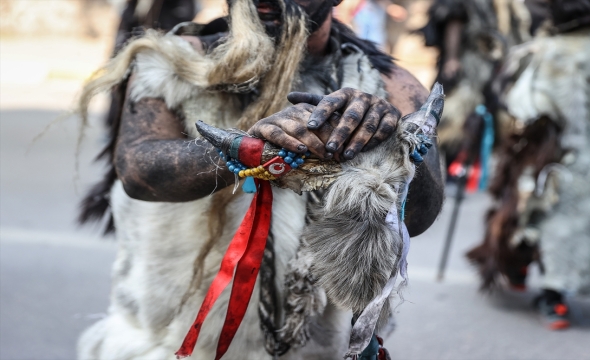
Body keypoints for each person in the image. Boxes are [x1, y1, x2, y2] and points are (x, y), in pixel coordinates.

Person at [75, 0, 444, 358]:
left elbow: (420, 216)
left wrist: (392, 141)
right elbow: (139, 170)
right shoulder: (172, 60)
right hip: (172, 339)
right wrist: (249, 150)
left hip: (321, 347)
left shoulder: (391, 86)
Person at [466, 0, 590, 330]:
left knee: (543, 217)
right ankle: (549, 285)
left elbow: (535, 104)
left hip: (558, 149)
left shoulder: (558, 51)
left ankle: (552, 294)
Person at [416, 0, 532, 166]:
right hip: (467, 65)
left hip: (492, 67)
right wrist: (452, 58)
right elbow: (454, 20)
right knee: (449, 118)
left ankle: (463, 165)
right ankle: (430, 162)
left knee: (483, 119)